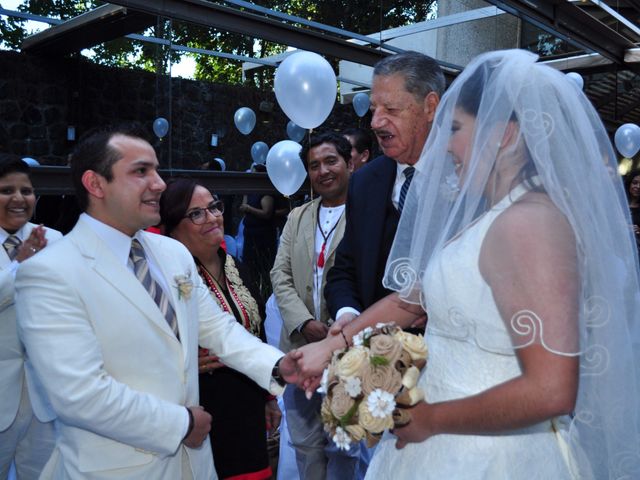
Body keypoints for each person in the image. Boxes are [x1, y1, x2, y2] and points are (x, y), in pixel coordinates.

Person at [296, 49, 640, 479]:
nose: (446, 144)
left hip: (489, 454)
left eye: (455, 129)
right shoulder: (496, 214)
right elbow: (413, 298)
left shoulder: (530, 223)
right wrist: (332, 346)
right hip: (446, 443)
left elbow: (552, 390)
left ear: (505, 135)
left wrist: (432, 419)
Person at [14, 127, 300, 479]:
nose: (160, 183)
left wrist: (278, 367)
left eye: (156, 170)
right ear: (95, 184)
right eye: (141, 171)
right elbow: (78, 394)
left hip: (195, 467)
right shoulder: (50, 272)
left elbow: (218, 328)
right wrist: (180, 424)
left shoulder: (172, 253)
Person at [160, 178, 280, 480]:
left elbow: (256, 331)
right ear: (172, 228)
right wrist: (183, 364)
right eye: (196, 214)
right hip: (201, 409)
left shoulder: (237, 266)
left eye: (213, 207)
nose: (212, 217)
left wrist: (268, 397)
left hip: (248, 402)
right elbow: (151, 346)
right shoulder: (169, 280)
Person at [271, 132, 370, 480]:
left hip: (348, 351)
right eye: (314, 166)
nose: (323, 171)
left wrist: (334, 331)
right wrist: (303, 322)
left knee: (345, 448)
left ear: (350, 163)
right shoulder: (297, 217)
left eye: (331, 161)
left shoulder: (368, 215)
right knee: (306, 446)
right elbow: (279, 274)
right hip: (301, 350)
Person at [324, 51, 444, 331]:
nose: (375, 123)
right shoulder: (364, 181)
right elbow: (345, 269)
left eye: (390, 110)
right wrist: (347, 313)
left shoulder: (469, 179)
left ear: (430, 107)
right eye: (374, 109)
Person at [0, 155, 61, 479]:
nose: (18, 199)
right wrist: (19, 265)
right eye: (6, 190)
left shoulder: (55, 240)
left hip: (44, 394)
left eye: (26, 191)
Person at [239, 164, 278, 298]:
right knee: (249, 265)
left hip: (262, 235)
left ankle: (265, 294)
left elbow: (266, 213)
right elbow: (243, 208)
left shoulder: (265, 191)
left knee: (262, 266)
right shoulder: (250, 190)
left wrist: (249, 208)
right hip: (250, 233)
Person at [626, 170, 640, 256]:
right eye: (635, 182)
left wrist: (639, 230)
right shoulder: (618, 202)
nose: (638, 186)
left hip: (634, 251)